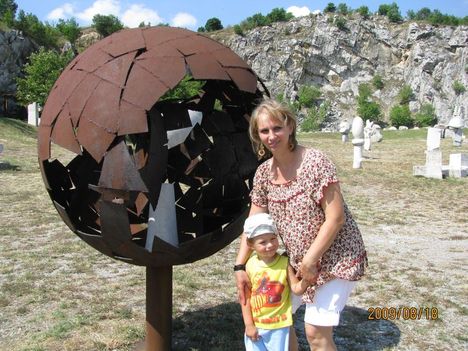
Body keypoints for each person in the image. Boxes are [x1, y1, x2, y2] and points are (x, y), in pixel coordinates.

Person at [234, 98, 367, 351]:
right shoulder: (264, 174)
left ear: (290, 126)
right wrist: (240, 266)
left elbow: (335, 218)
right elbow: (254, 224)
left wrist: (310, 260)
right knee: (279, 320)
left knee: (315, 333)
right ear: (257, 135)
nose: (271, 136)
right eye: (264, 131)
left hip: (336, 257)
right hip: (298, 262)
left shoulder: (315, 163)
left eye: (277, 128)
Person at [241, 213, 310, 351]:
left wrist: (307, 280)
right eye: (262, 242)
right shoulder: (249, 265)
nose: (270, 245)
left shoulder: (284, 263)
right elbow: (245, 298)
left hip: (279, 326)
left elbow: (296, 288)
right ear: (250, 244)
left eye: (273, 239)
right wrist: (249, 325)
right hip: (257, 325)